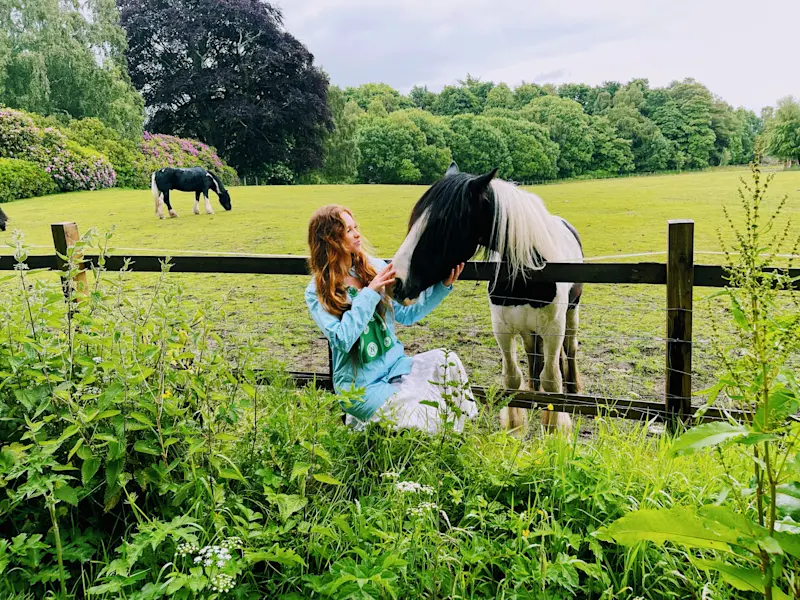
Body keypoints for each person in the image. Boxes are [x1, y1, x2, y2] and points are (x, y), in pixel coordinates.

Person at [305, 204, 478, 433]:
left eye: (355, 227)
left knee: (446, 360)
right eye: (348, 230)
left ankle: (464, 431)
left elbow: (406, 314)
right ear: (330, 240)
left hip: (396, 367)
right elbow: (342, 339)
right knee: (423, 418)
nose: (357, 234)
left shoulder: (375, 268)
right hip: (361, 387)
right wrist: (370, 293)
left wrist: (442, 287)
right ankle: (369, 425)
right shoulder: (318, 290)